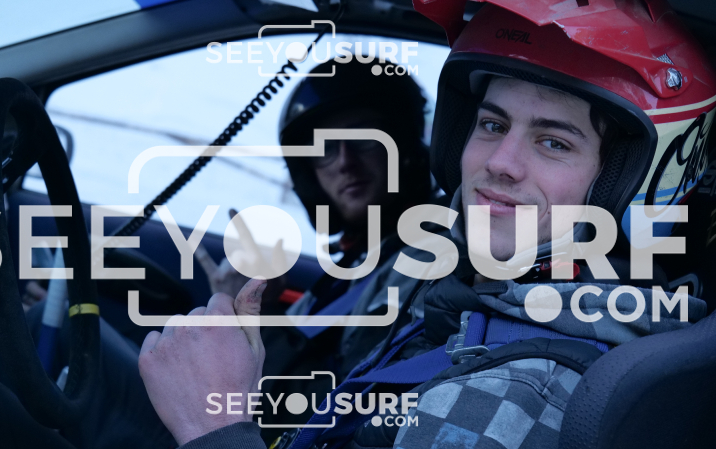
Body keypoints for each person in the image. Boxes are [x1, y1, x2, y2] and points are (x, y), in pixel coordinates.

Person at [138, 1, 714, 448]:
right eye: (492, 125)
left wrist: (214, 426)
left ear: (632, 181)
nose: (499, 163)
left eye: (553, 142)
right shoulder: (474, 302)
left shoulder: (508, 395)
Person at [194, 58, 438, 438]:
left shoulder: (427, 260)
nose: (345, 162)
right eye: (324, 148)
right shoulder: (359, 263)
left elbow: (335, 409)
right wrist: (256, 304)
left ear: (406, 145)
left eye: (364, 138)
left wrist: (252, 320)